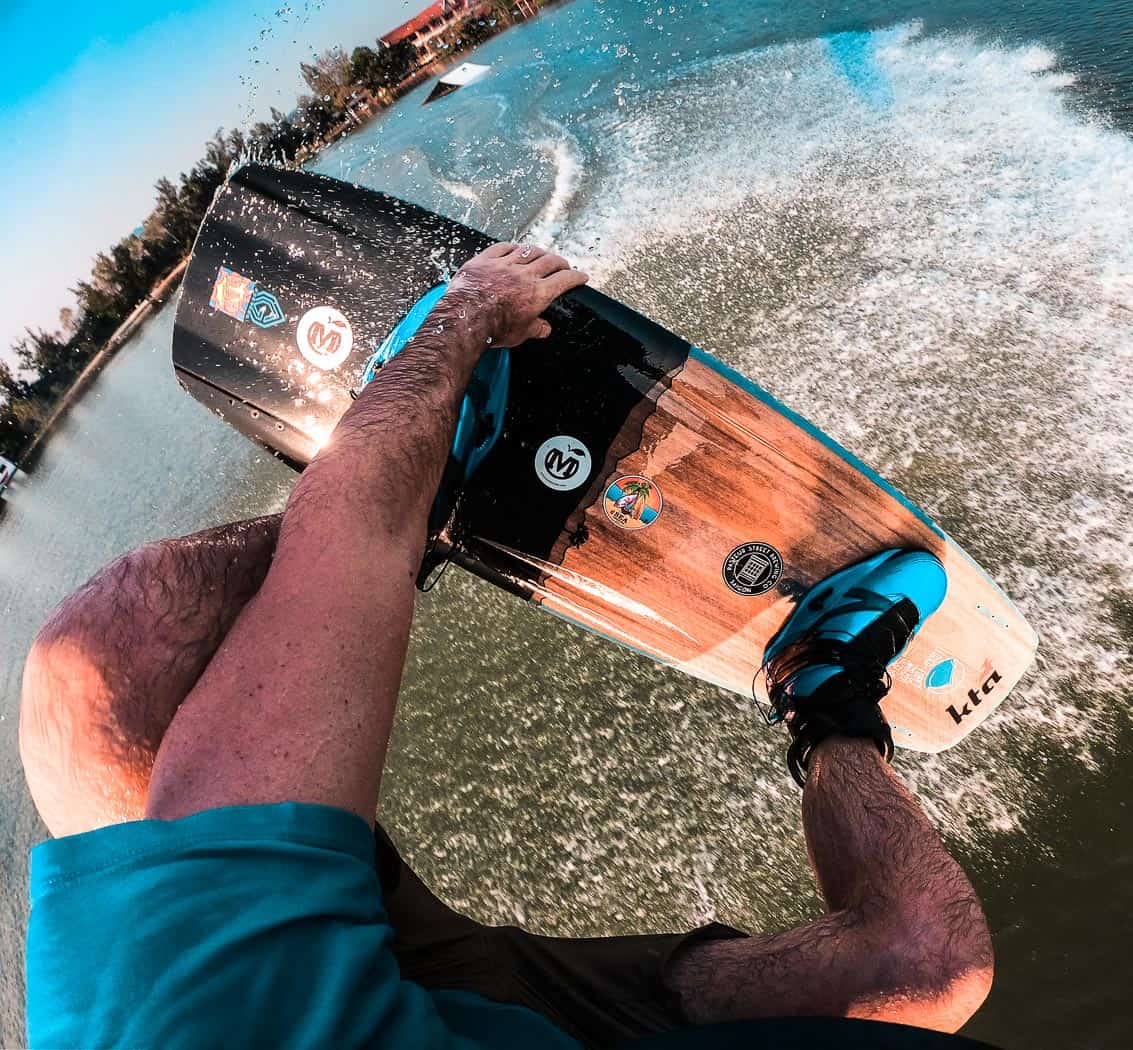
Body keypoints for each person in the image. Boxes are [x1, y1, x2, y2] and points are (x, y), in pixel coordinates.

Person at [19, 244, 995, 1048]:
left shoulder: (220, 1016)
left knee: (110, 665)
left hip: (305, 1003)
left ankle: (425, 487)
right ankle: (822, 687)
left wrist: (458, 328)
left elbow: (174, 667)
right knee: (924, 967)